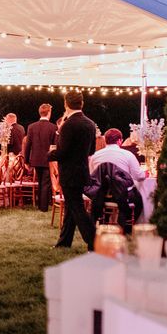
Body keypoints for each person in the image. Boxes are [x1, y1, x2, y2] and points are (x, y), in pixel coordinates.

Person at [49, 91, 98, 250]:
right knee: (71, 208)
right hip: (82, 171)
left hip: (70, 173)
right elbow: (91, 151)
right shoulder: (90, 123)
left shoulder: (68, 125)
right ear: (81, 104)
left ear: (66, 104)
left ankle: (94, 241)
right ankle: (64, 242)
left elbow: (62, 152)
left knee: (77, 208)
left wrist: (49, 154)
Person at [23, 103, 58, 212]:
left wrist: (26, 160)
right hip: (47, 159)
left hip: (36, 159)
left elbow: (27, 145)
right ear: (49, 113)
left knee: (41, 181)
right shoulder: (53, 127)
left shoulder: (31, 127)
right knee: (45, 183)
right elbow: (54, 146)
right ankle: (43, 207)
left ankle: (41, 204)